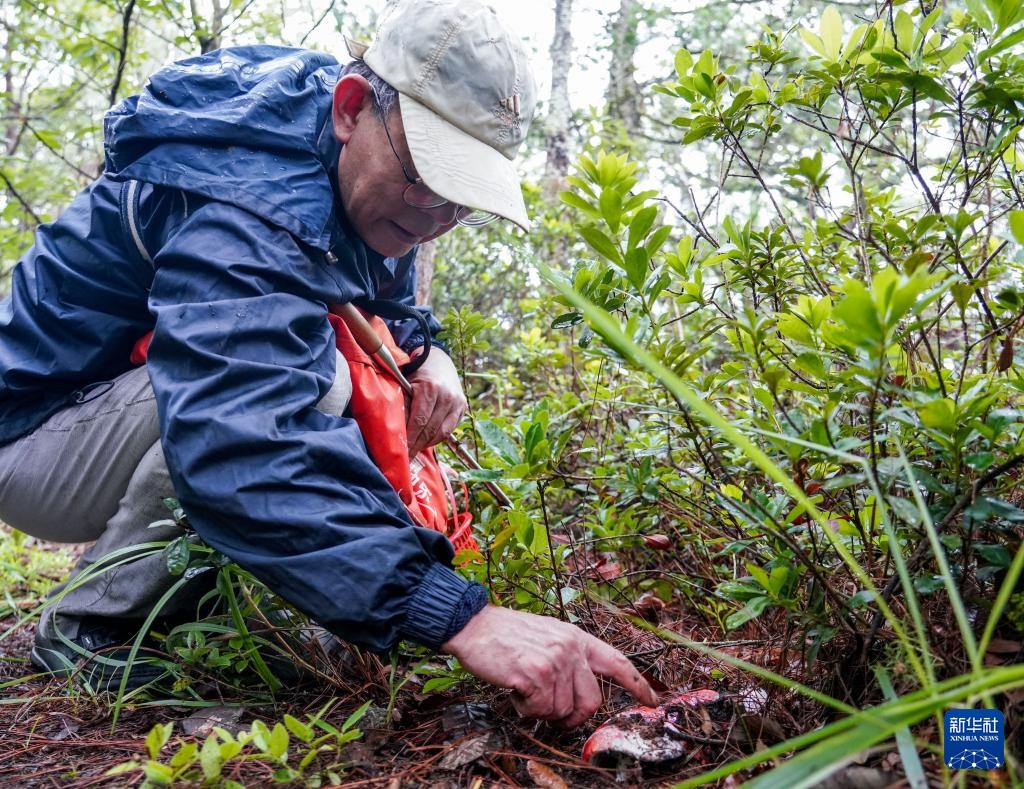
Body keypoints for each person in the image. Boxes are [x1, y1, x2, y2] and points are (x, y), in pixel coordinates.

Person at [0, 0, 656, 727]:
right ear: (350, 109)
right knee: (315, 379)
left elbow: (382, 304)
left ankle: (190, 608)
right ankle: (90, 624)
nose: (435, 216)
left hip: (106, 420)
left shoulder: (352, 174)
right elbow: (241, 434)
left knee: (338, 374)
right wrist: (456, 616)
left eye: (462, 198)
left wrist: (433, 353)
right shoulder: (243, 196)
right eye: (425, 175)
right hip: (28, 439)